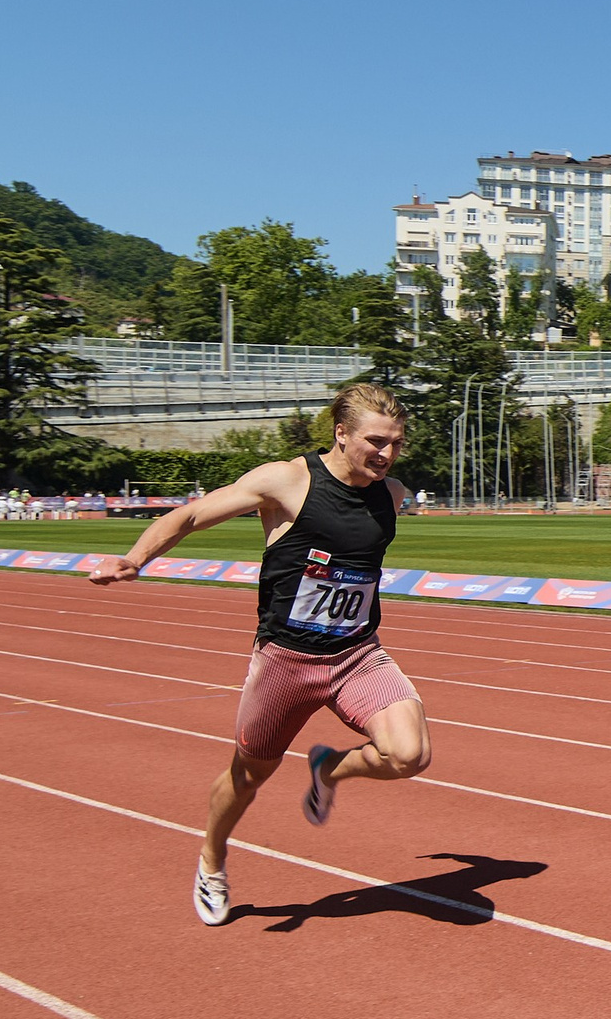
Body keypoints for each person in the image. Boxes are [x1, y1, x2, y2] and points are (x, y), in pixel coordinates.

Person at [87, 383, 431, 925]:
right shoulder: (287, 481)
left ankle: (329, 769)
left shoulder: (391, 495)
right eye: (375, 441)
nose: (386, 454)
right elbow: (192, 516)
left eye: (396, 443)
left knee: (410, 755)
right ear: (341, 434)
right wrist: (135, 558)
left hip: (357, 654)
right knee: (248, 778)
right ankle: (211, 858)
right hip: (286, 663)